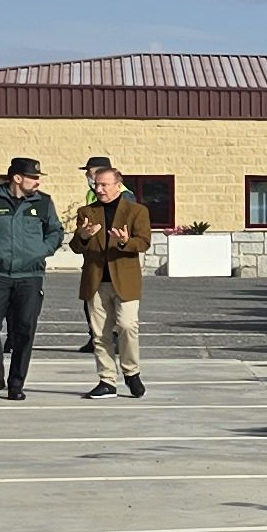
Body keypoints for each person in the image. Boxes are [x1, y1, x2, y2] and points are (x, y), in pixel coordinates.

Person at [0, 155, 61, 399]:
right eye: (33, 177)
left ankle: (17, 384)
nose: (38, 182)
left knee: (25, 330)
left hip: (30, 276)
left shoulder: (43, 203)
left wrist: (41, 250)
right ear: (17, 178)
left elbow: (56, 231)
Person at [70, 157, 156, 398]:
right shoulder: (86, 211)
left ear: (118, 185)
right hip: (96, 281)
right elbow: (76, 246)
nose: (99, 189)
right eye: (96, 184)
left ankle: (131, 372)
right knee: (100, 334)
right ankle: (107, 380)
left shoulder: (136, 211)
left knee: (128, 326)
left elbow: (144, 242)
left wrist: (124, 242)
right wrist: (85, 236)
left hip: (124, 280)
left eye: (104, 185)